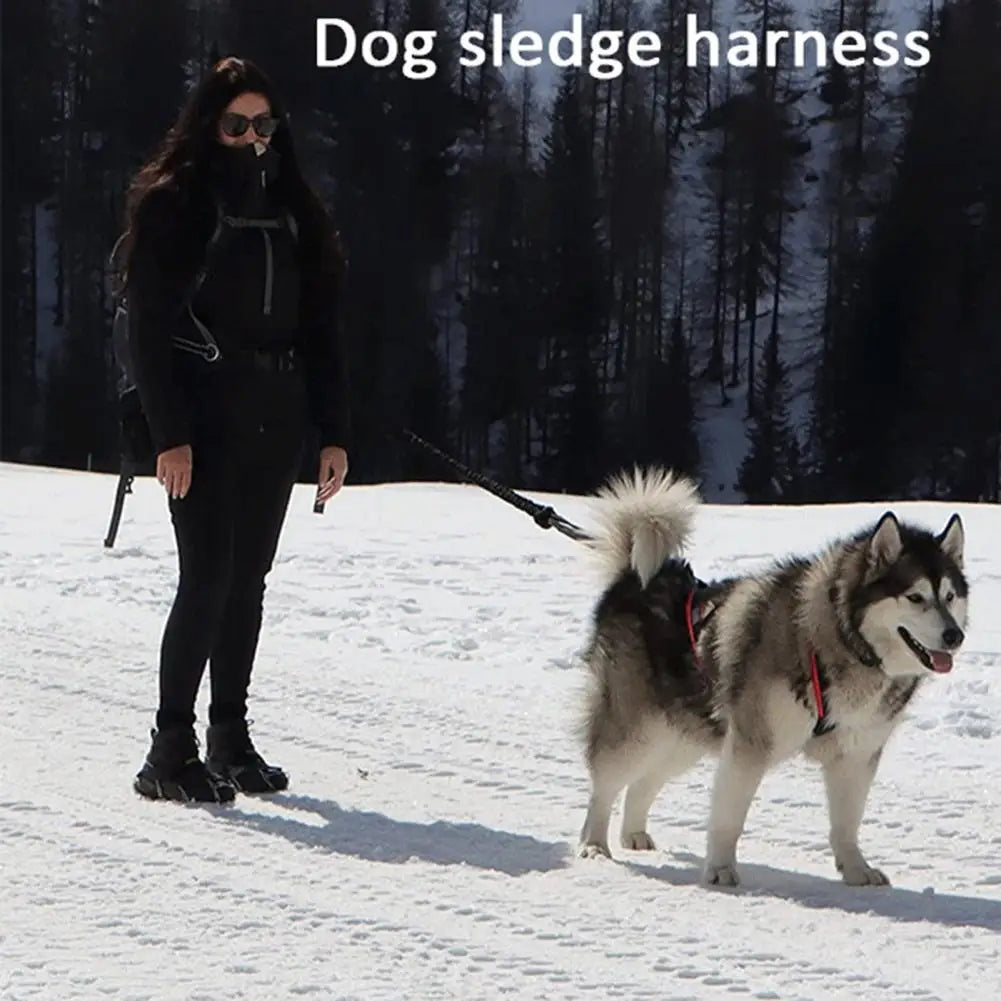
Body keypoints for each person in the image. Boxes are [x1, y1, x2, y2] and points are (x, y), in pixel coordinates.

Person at [120, 56, 351, 803]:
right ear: (208, 125)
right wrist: (168, 434)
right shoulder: (176, 203)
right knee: (207, 578)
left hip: (276, 417)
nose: (253, 137)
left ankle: (229, 739)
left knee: (248, 581)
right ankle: (168, 751)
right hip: (202, 419)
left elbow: (320, 328)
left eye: (263, 123)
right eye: (236, 124)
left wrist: (333, 431)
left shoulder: (293, 209)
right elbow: (148, 331)